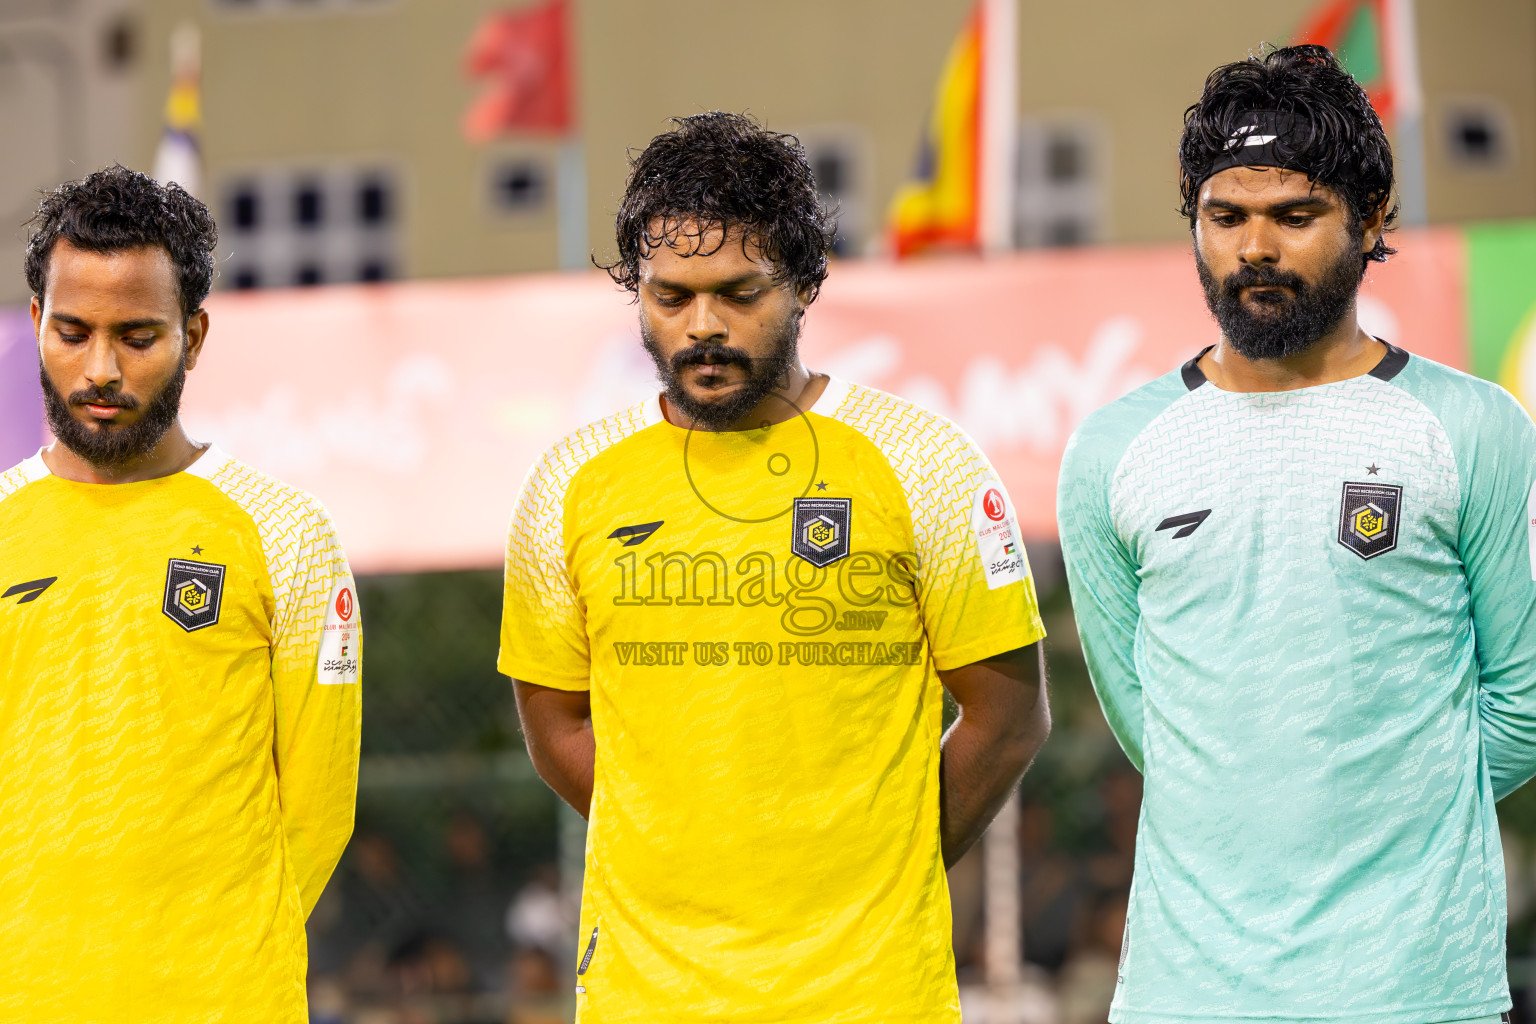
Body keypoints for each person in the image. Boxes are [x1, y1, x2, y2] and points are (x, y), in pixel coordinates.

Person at [500, 111, 1050, 1022]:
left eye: (738, 293)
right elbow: (553, 721)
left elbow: (1010, 717)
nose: (703, 327)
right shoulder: (567, 483)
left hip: (870, 991)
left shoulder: (925, 464)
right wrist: (685, 848)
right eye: (671, 297)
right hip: (648, 991)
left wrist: (883, 863)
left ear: (802, 284)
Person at [1058, 45, 1536, 1024]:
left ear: (1371, 220)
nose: (1255, 249)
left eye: (1295, 216)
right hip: (1187, 994)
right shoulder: (1114, 450)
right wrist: (1264, 778)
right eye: (1225, 217)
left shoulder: (1475, 428)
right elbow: (1153, 721)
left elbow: (1523, 702)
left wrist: (1385, 796)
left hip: (1416, 991)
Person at [0, 166, 361, 1020]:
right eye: (74, 331)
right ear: (36, 326)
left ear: (193, 337)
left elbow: (318, 812)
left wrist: (216, 958)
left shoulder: (290, 535)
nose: (101, 369)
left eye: (137, 336)